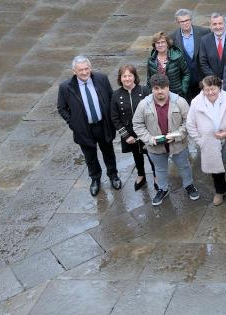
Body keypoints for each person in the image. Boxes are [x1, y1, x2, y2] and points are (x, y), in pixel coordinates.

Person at [132, 74, 199, 205]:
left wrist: (177, 135)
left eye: (163, 88)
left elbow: (189, 122)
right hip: (155, 146)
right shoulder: (143, 104)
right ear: (152, 89)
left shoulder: (180, 102)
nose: (160, 91)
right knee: (160, 169)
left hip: (178, 145)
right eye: (156, 88)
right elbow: (137, 124)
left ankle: (189, 185)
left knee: (184, 166)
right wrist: (150, 139)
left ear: (168, 87)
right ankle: (162, 189)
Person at [58, 56, 120, 196]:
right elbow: (61, 108)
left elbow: (111, 98)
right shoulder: (65, 87)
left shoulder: (101, 78)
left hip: (103, 125)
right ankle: (95, 179)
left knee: (108, 152)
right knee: (90, 156)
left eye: (87, 69)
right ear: (74, 71)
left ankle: (113, 176)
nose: (85, 72)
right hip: (84, 129)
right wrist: (73, 123)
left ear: (90, 68)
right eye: (81, 70)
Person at [185, 75, 226, 206]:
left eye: (213, 89)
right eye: (207, 90)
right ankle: (220, 190)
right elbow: (190, 124)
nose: (210, 93)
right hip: (209, 142)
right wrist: (200, 141)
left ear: (219, 88)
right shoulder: (196, 102)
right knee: (215, 169)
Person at [110, 65, 154, 191]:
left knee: (152, 155)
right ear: (120, 78)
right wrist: (126, 136)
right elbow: (114, 118)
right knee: (137, 155)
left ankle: (156, 175)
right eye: (124, 76)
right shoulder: (116, 95)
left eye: (130, 75)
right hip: (130, 134)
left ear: (135, 76)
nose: (127, 78)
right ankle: (141, 174)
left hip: (147, 132)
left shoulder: (145, 90)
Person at [172, 9, 210, 100]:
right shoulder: (172, 37)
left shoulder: (204, 32)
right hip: (185, 78)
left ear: (191, 20)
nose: (185, 23)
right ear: (178, 22)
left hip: (202, 76)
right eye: (182, 21)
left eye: (187, 20)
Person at [146, 31, 190, 97]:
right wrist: (151, 92)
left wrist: (183, 90)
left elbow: (186, 74)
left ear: (167, 43)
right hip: (158, 95)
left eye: (163, 42)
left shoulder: (177, 57)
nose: (160, 45)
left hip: (176, 94)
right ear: (154, 45)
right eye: (157, 43)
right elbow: (149, 79)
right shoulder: (151, 60)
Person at [199, 13, 226, 79]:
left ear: (225, 23)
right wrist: (214, 79)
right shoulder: (204, 40)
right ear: (210, 26)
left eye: (220, 23)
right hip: (213, 81)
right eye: (214, 24)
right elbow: (203, 62)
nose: (218, 27)